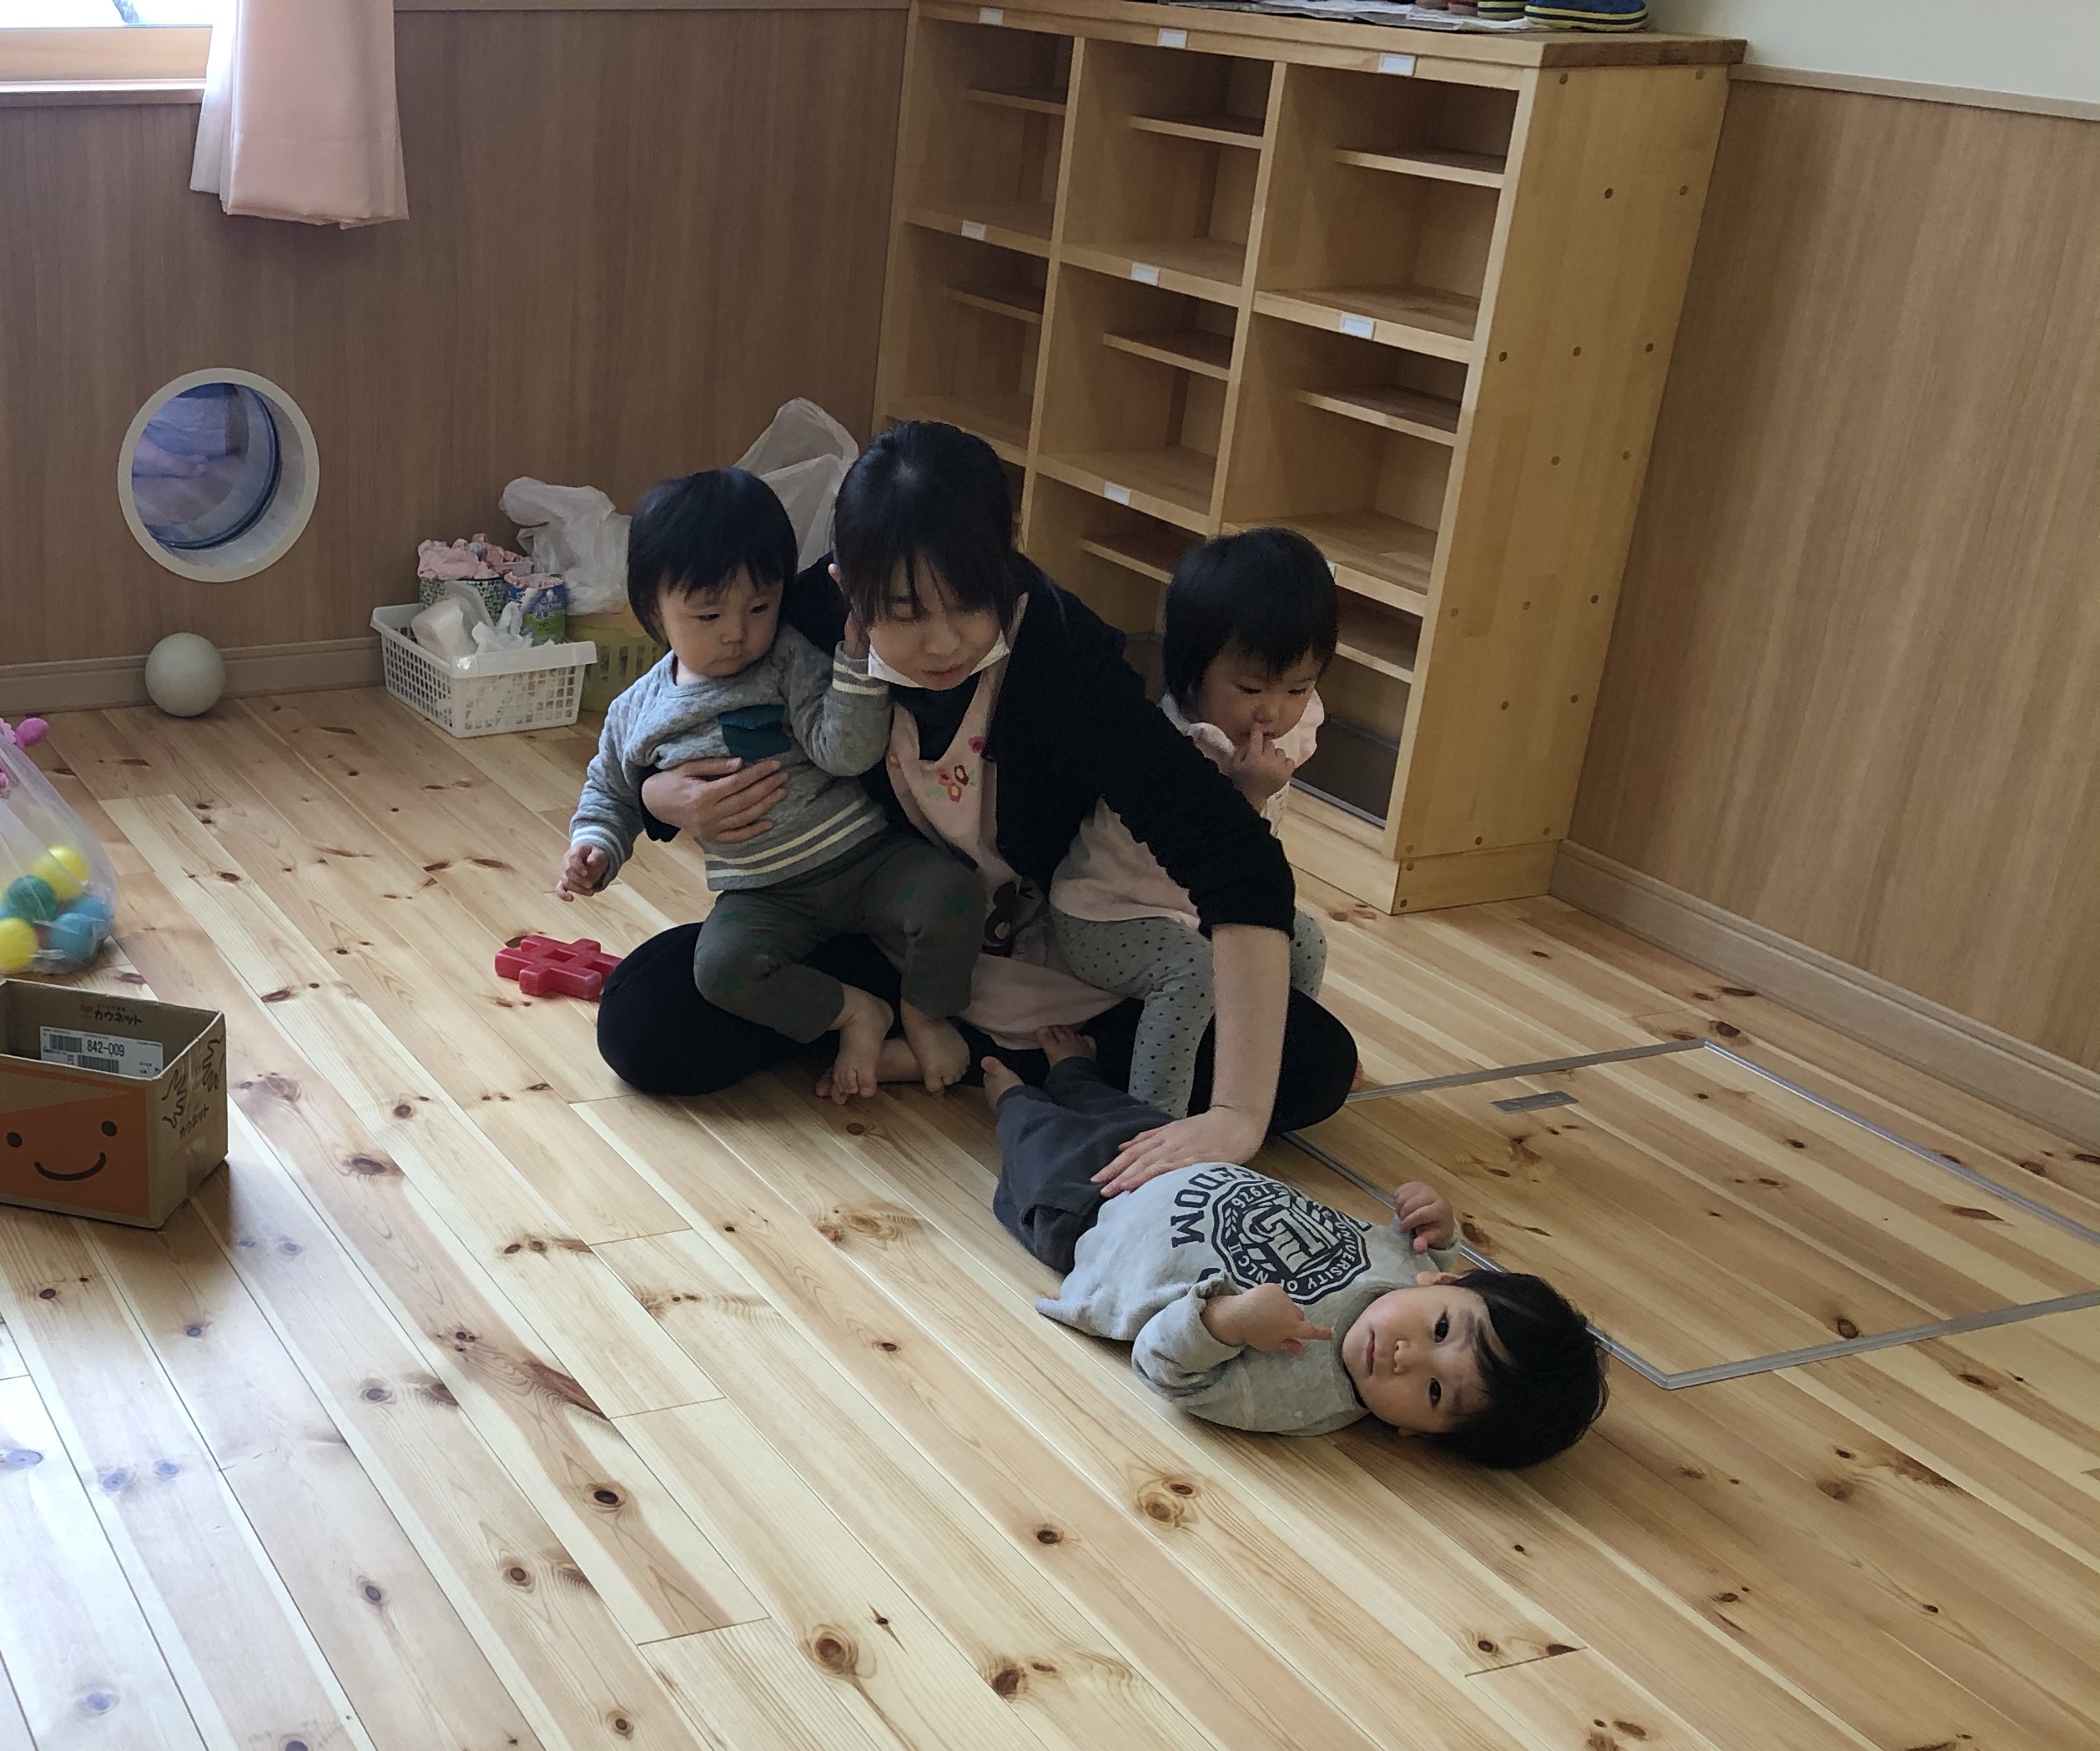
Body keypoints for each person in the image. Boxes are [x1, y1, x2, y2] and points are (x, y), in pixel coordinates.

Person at [597, 421, 1357, 1192]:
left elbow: (1234, 859)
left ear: (1005, 569)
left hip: (1058, 957)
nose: (943, 643)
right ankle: (981, 1053)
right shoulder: (804, 622)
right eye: (905, 613)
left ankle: (1001, 1058)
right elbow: (678, 705)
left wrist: (1235, 1115)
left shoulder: (1064, 654)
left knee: (1314, 1063)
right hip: (888, 931)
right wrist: (661, 798)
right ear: (846, 587)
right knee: (644, 1020)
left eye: (968, 604)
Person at [985, 1027, 1604, 1466]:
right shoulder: (1410, 1270)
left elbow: (1164, 1367)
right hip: (1176, 1158)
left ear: (1417, 1435)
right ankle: (1072, 1073)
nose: (1406, 1357)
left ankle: (1007, 1092)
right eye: (1441, 1330)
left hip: (1096, 1220)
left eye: (1435, 1393)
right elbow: (1431, 1252)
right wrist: (1440, 1226)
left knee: (1036, 1136)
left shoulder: (1298, 1398)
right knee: (1116, 1108)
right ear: (1444, 1285)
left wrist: (1226, 1323)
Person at [562, 468, 985, 1095]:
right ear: (652, 611)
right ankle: (853, 1012)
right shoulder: (635, 711)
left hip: (864, 860)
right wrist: (594, 846)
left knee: (951, 892)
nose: (737, 632)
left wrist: (854, 664)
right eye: (709, 615)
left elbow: (845, 753)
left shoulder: (787, 658)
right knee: (721, 969)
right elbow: (610, 791)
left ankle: (926, 1014)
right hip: (763, 895)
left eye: (759, 607)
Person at [1050, 527, 1336, 1112]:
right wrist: (1249, 794)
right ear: (1190, 670)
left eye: (1298, 688)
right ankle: (1154, 1123)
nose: (1273, 710)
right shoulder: (1177, 742)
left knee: (1303, 941)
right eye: (1250, 687)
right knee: (1195, 970)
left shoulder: (1275, 724)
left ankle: (1284, 1061)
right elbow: (1218, 854)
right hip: (1106, 914)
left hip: (1193, 912)